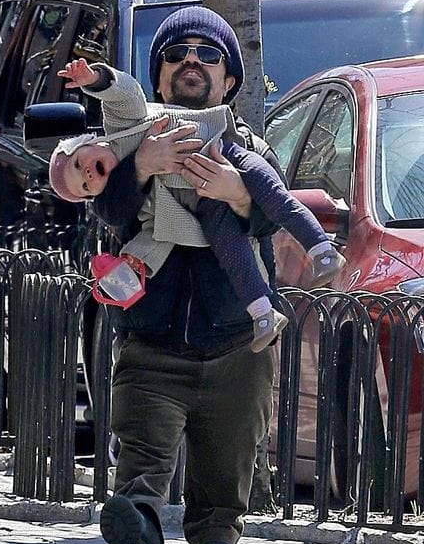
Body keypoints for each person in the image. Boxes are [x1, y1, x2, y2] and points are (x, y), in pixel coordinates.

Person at [83, 6, 342, 544]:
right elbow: (106, 209)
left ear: (229, 81)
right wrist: (142, 166)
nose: (191, 62)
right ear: (157, 77)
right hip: (151, 339)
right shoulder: (130, 141)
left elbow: (277, 214)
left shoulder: (252, 147)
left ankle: (217, 536)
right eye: (176, 54)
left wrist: (238, 195)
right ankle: (141, 525)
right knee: (143, 455)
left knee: (228, 460)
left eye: (208, 55)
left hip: (236, 344)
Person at [49, 59, 345, 351]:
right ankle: (263, 314)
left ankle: (322, 250)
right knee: (233, 251)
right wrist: (135, 261)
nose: (87, 174)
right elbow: (155, 231)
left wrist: (94, 79)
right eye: (85, 187)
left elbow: (125, 94)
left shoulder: (123, 127)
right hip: (203, 210)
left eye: (78, 164)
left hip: (221, 150)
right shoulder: (127, 197)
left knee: (275, 198)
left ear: (89, 142)